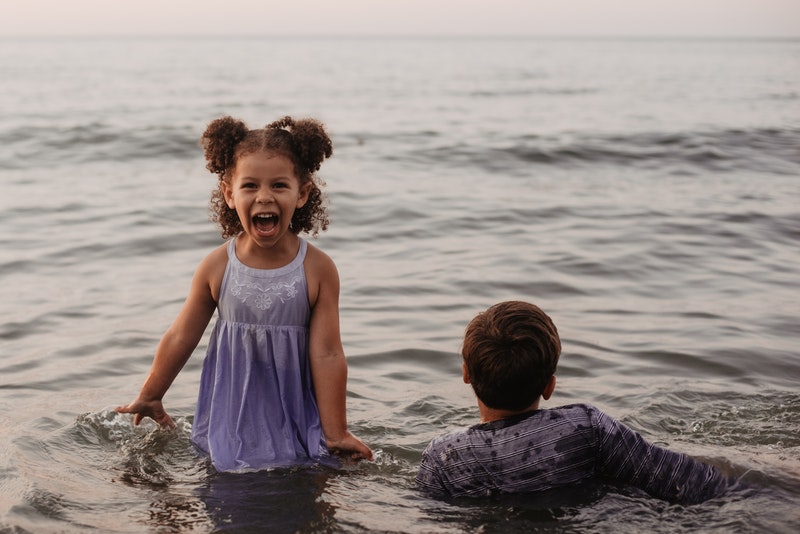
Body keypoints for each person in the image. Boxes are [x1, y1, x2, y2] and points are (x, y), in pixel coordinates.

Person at [117, 115, 372, 472]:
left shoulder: (318, 269)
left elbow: (328, 353)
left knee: (302, 484)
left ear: (302, 193)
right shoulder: (217, 266)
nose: (264, 196)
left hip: (295, 416)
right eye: (249, 185)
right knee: (227, 485)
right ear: (229, 193)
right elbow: (181, 336)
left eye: (279, 185)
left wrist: (336, 432)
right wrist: (151, 393)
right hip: (230, 417)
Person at [416, 301, 731, 503]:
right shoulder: (586, 427)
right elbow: (689, 482)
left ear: (466, 374)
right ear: (549, 386)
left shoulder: (443, 458)